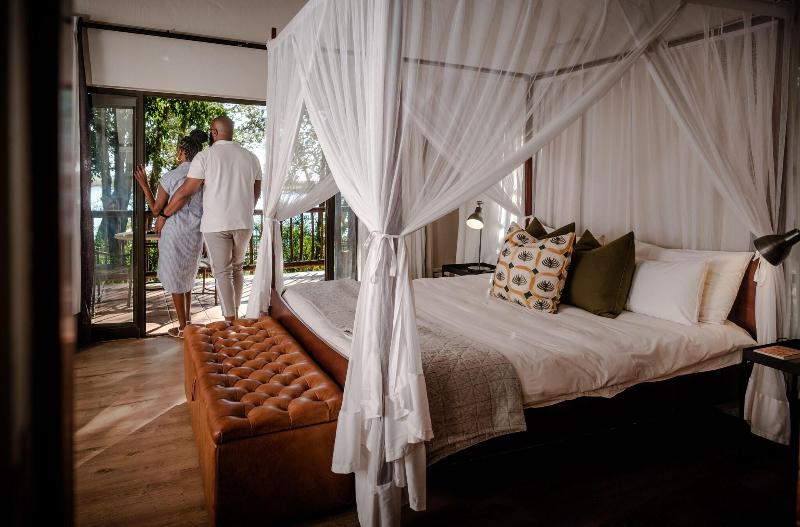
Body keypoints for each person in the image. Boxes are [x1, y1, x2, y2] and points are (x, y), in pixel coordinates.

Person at [162, 116, 262, 321]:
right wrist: (245, 211)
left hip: (217, 224)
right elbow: (256, 192)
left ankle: (230, 320)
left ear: (214, 132)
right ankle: (235, 316)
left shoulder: (205, 156)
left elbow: (186, 191)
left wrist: (164, 214)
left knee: (223, 272)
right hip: (244, 223)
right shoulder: (251, 157)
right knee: (237, 268)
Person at [133, 129, 207, 337]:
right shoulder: (202, 177)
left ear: (181, 151)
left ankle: (183, 328)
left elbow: (157, 210)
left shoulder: (171, 176)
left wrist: (145, 185)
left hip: (174, 232)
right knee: (187, 277)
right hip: (195, 232)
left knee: (176, 279)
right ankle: (188, 322)